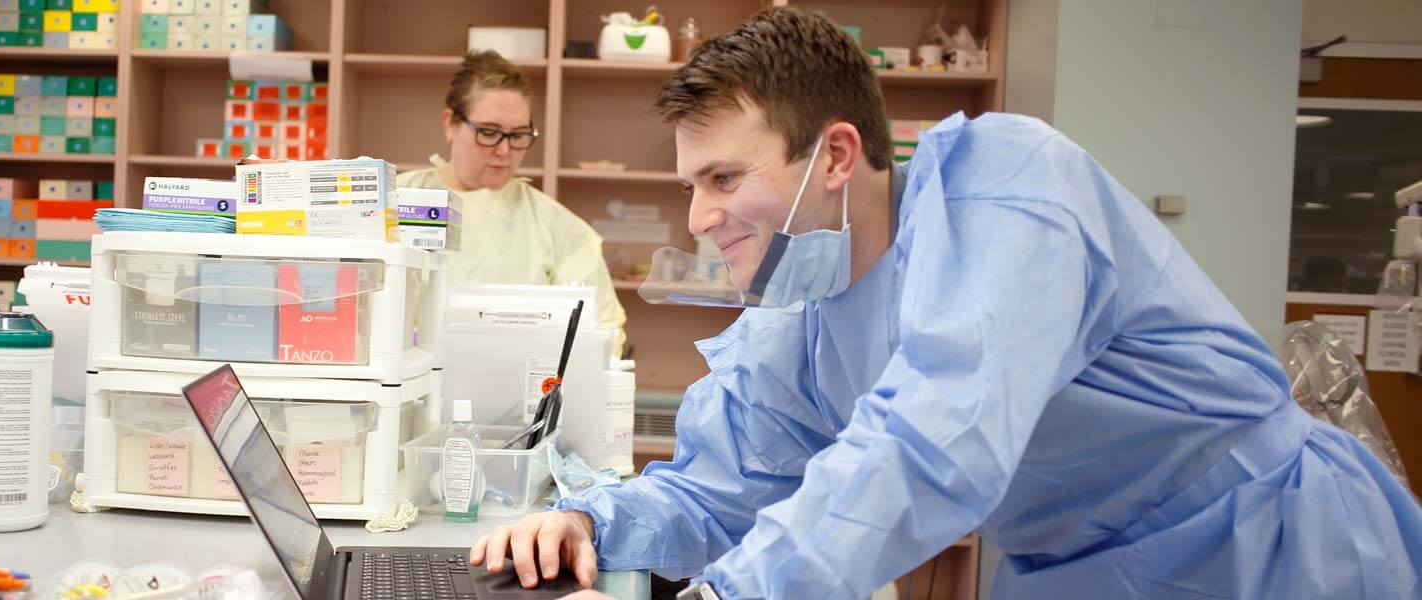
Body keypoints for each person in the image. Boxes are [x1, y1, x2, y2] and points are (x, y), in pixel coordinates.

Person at [469, 7, 1422, 600]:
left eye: (723, 177)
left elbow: (937, 439)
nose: (702, 215)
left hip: (1267, 549)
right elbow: (726, 487)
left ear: (837, 156)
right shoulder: (796, 310)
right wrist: (592, 525)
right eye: (690, 184)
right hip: (1075, 571)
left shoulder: (1006, 189)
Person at [396, 50, 627, 353]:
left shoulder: (558, 227)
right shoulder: (392, 204)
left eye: (518, 135)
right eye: (489, 132)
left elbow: (603, 332)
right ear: (450, 123)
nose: (505, 151)